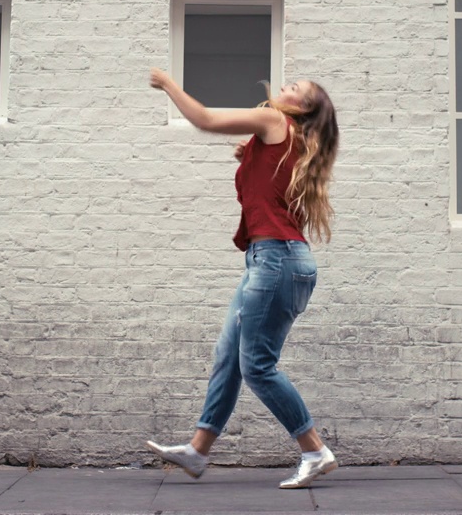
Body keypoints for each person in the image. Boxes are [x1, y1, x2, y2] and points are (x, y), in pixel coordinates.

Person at [144, 67, 340, 489]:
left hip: (277, 262)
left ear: (301, 108)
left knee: (257, 366)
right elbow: (266, 188)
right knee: (229, 357)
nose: (284, 87)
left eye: (294, 89)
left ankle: (314, 449)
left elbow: (205, 120)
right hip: (273, 261)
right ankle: (198, 451)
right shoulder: (292, 142)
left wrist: (168, 84)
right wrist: (248, 157)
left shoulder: (274, 121)